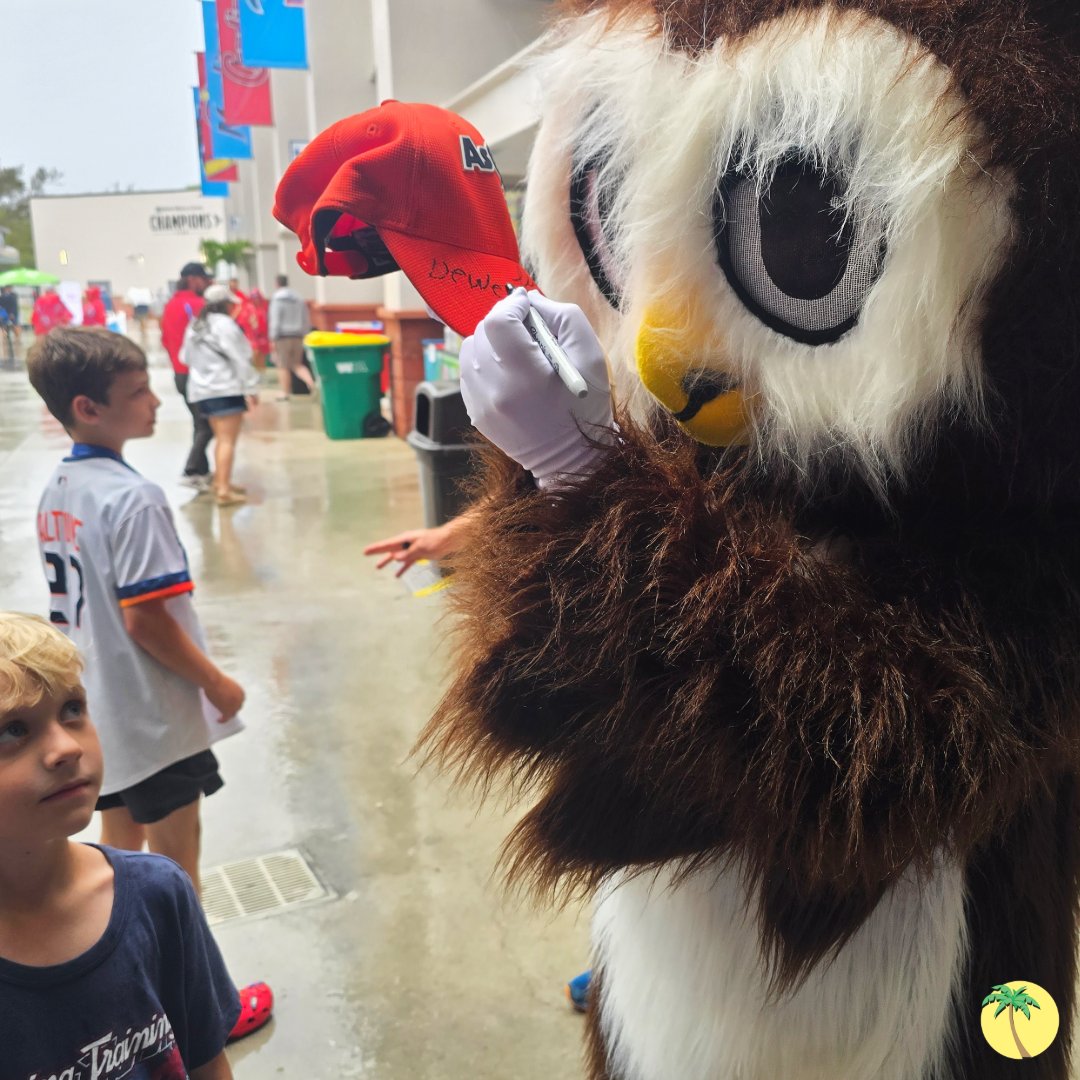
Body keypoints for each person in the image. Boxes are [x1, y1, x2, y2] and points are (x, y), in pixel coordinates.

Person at [25, 328, 272, 1040]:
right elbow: (148, 622)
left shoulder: (60, 488)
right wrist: (219, 684)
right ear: (88, 407)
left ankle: (124, 996)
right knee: (172, 881)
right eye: (138, 392)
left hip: (99, 716)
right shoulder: (134, 499)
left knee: (115, 865)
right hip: (155, 722)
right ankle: (198, 1015)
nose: (158, 400)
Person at [0, 612, 240, 1076]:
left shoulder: (159, 894)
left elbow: (208, 1061)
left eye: (72, 709)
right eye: (13, 730)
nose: (66, 747)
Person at [181, 284, 260, 507]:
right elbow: (241, 357)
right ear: (226, 304)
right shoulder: (225, 325)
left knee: (220, 439)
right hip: (225, 389)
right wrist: (252, 388)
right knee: (227, 441)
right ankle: (224, 490)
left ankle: (221, 481)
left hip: (202, 390)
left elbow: (184, 357)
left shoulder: (195, 325)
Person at [161, 262, 214, 491]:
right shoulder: (197, 305)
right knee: (207, 425)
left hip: (180, 374)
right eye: (204, 278)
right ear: (193, 279)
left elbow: (164, 339)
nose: (207, 283)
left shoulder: (170, 305)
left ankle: (202, 471)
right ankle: (191, 469)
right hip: (196, 374)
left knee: (199, 422)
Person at [269, 274, 314, 401]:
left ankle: (285, 392)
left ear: (277, 284)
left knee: (283, 365)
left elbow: (275, 319)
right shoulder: (298, 298)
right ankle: (312, 383)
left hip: (282, 336)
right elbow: (305, 318)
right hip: (298, 336)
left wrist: (273, 338)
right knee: (297, 364)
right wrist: (305, 334)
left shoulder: (277, 299)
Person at [236, 287, 270, 371]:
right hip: (251, 336)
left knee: (261, 354)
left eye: (257, 298)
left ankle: (261, 371)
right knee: (255, 352)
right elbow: (243, 321)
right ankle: (256, 370)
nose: (256, 300)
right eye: (254, 298)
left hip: (262, 336)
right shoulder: (248, 307)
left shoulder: (264, 307)